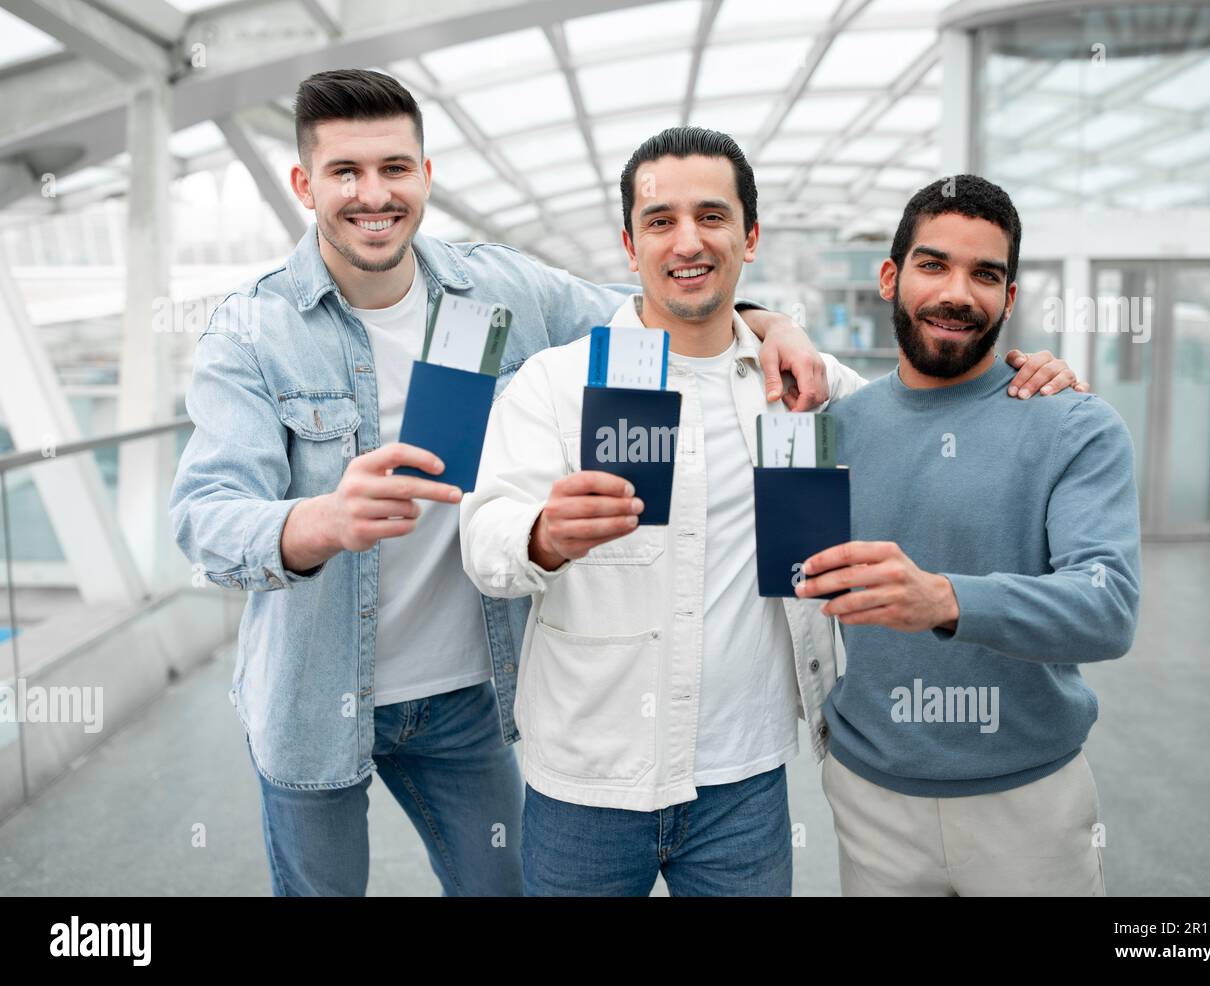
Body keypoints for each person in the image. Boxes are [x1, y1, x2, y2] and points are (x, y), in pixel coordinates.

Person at [168, 71, 827, 897]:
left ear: (426, 175)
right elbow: (204, 518)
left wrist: (773, 323)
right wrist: (322, 520)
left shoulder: (498, 291)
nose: (374, 195)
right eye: (345, 173)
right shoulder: (253, 331)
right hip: (314, 691)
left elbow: (666, 300)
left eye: (395, 169)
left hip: (464, 695)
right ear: (305, 185)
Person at [459, 129, 1083, 896]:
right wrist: (542, 535)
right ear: (629, 246)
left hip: (745, 786)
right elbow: (483, 541)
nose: (688, 241)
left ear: (749, 237)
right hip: (586, 785)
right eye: (661, 222)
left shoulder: (810, 394)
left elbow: (932, 402)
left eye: (713, 217)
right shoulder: (556, 385)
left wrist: (1033, 376)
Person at [796, 174, 1140, 896]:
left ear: (1009, 298)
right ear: (891, 278)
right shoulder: (831, 431)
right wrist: (772, 324)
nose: (959, 293)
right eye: (933, 265)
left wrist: (947, 600)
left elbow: (1106, 611)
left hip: (1030, 806)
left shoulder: (1072, 424)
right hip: (871, 801)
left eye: (986, 274)